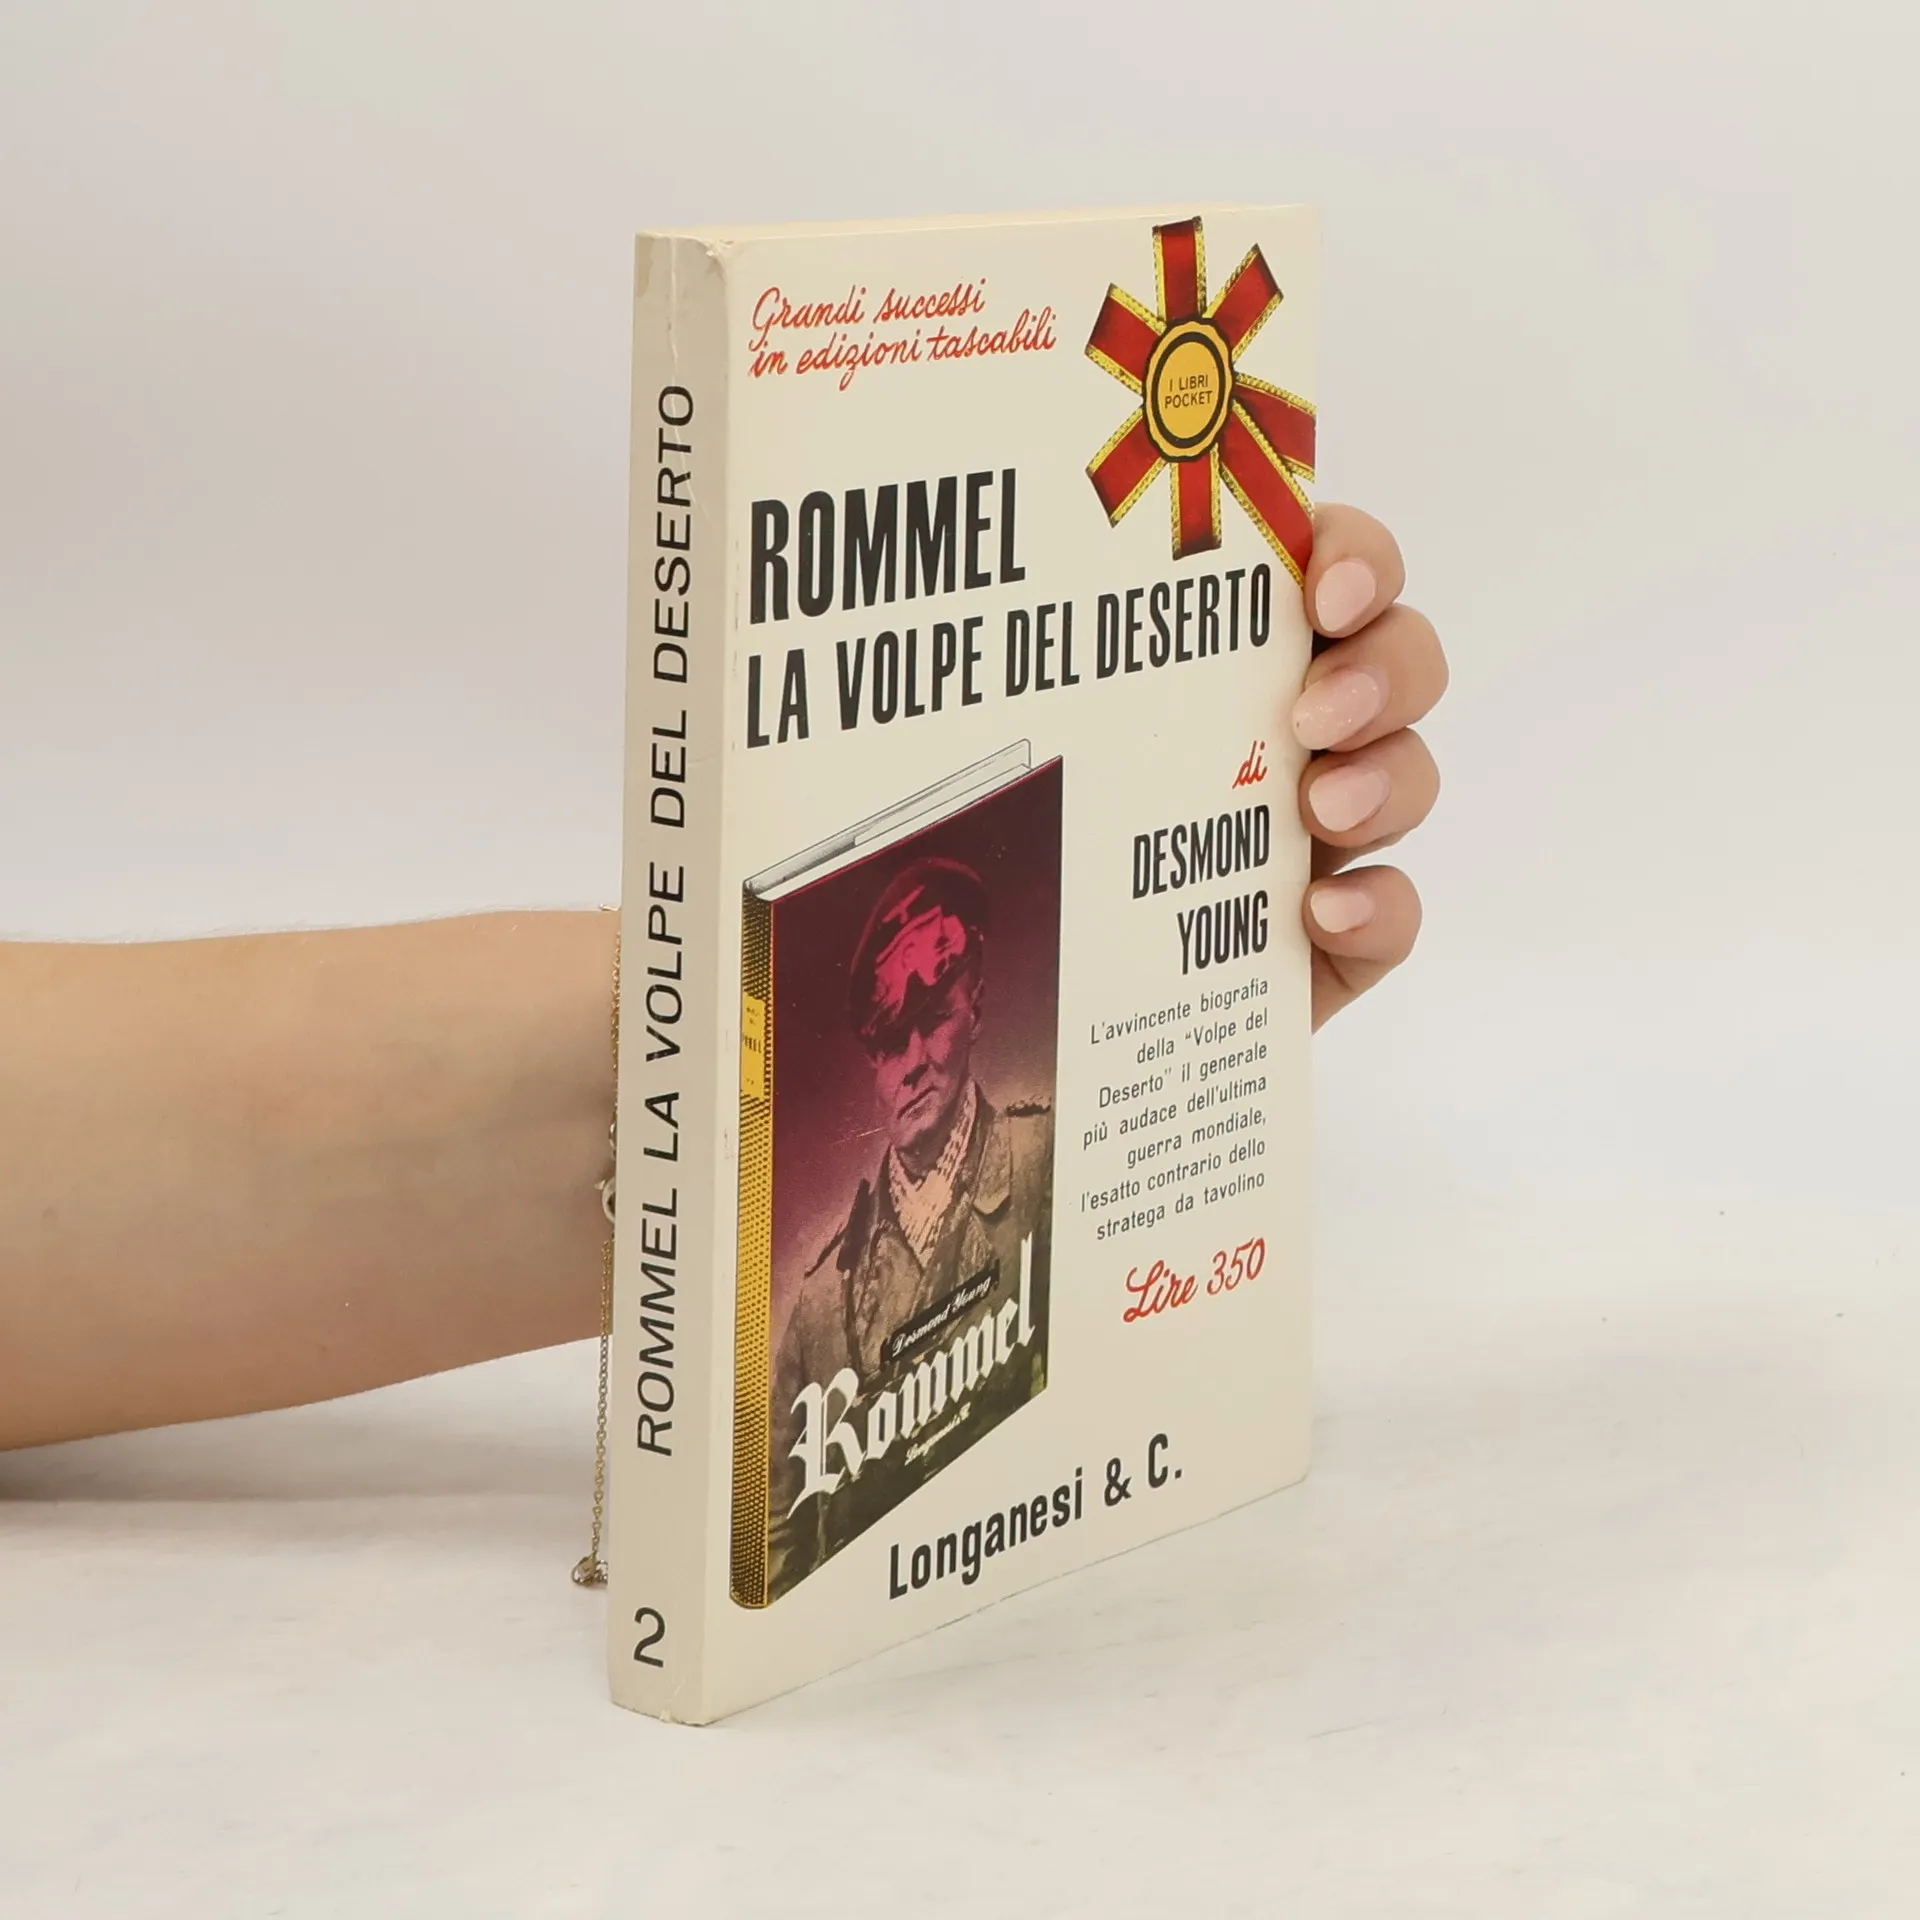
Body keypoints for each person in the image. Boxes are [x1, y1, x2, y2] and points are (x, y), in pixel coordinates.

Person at [0, 505, 1445, 1452]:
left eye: (940, 996)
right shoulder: (813, 1301)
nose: (913, 1042)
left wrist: (1153, 1003)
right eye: (882, 1012)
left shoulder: (1030, 1164)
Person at [766, 856, 1054, 1594]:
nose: (913, 1065)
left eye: (932, 1021)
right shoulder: (821, 1300)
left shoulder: (1045, 1165)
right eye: (891, 1042)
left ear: (975, 1010)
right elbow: (779, 1540)